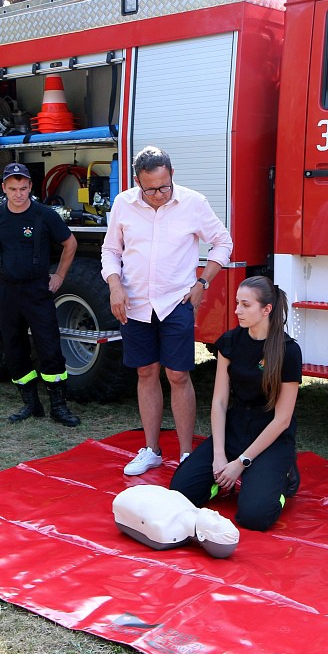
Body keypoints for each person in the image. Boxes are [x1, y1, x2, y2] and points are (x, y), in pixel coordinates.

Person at [101, 146, 233, 475]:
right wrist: (115, 285)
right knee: (145, 372)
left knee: (177, 375)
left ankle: (187, 454)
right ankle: (152, 449)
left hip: (177, 302)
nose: (159, 194)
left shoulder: (193, 203)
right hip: (135, 303)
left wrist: (203, 282)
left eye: (164, 186)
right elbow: (110, 250)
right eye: (151, 189)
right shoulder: (123, 204)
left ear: (172, 175)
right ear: (137, 182)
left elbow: (223, 242)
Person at [170, 276, 301, 531]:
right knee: (180, 494)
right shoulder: (230, 342)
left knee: (255, 516)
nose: (237, 310)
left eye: (245, 305)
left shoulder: (288, 351)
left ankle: (283, 478)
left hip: (270, 437)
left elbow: (282, 419)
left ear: (267, 310)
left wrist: (241, 463)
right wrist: (219, 456)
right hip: (236, 426)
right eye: (237, 303)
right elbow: (219, 401)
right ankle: (221, 477)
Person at [0, 162, 81, 426]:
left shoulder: (44, 215)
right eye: (13, 189)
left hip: (37, 289)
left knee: (49, 347)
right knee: (14, 348)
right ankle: (30, 404)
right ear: (4, 188)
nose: (18, 194)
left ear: (30, 187)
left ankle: (59, 407)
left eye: (23, 188)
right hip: (7, 291)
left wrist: (59, 275)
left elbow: (70, 243)